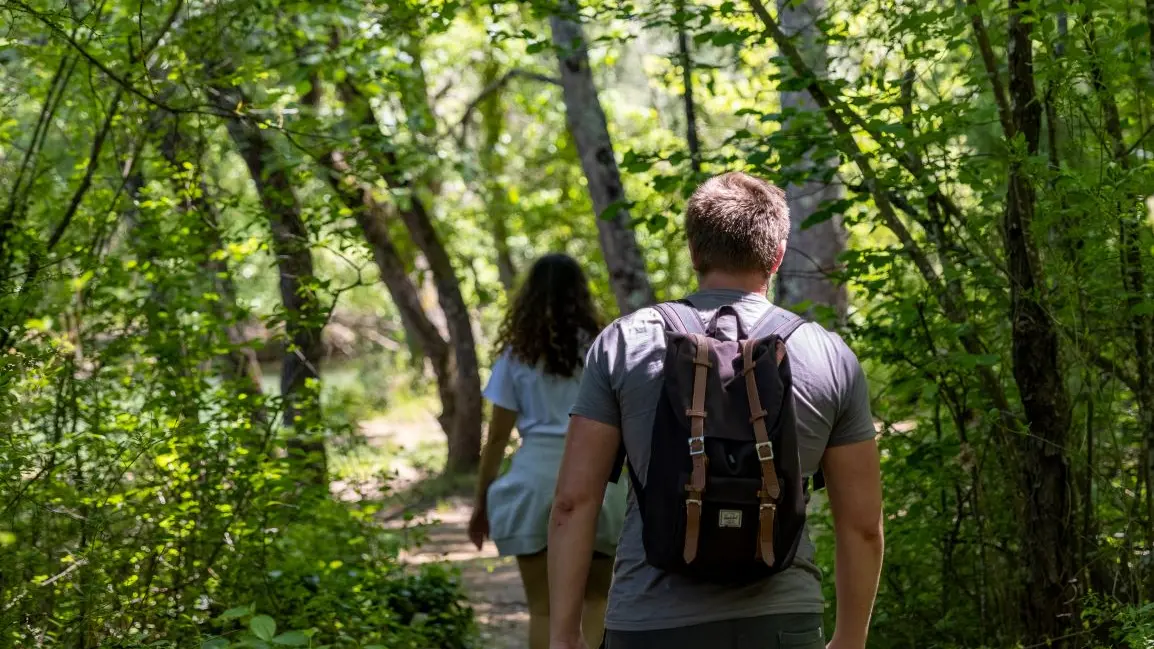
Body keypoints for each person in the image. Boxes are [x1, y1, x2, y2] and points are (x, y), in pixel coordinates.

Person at [547, 172, 884, 649]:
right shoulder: (829, 355)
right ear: (778, 255)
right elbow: (863, 525)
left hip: (649, 622)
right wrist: (850, 640)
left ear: (693, 250)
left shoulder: (625, 343)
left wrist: (564, 636)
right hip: (782, 622)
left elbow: (572, 503)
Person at [468, 253, 628, 649]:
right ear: (581, 294)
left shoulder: (516, 356)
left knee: (544, 609)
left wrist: (480, 503)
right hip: (599, 483)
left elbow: (497, 439)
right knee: (598, 600)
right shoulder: (603, 349)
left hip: (532, 486)